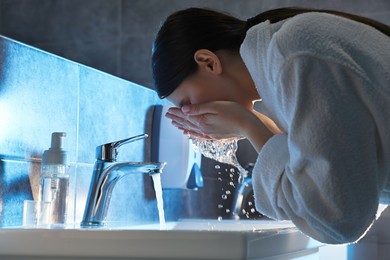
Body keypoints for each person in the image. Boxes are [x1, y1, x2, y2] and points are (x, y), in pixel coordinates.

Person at [151, 7, 390, 244]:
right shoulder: (283, 57)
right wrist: (258, 124)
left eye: (187, 103)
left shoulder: (293, 52)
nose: (191, 116)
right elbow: (331, 183)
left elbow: (336, 218)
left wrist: (249, 125)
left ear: (209, 63)